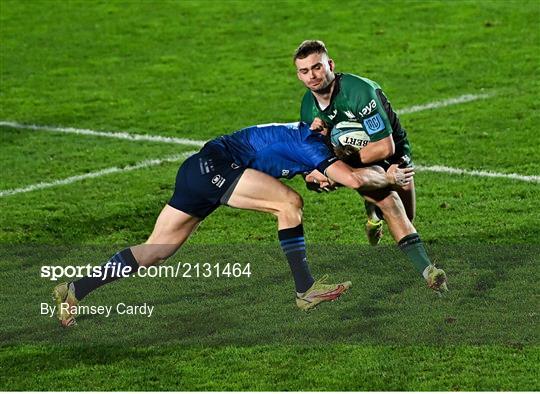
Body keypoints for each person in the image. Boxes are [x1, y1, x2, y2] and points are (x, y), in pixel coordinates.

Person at [52, 121, 416, 327]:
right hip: (217, 168)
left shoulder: (304, 141)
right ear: (331, 156)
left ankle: (74, 289)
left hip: (197, 169)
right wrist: (390, 177)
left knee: (155, 251)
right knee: (290, 203)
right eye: (327, 178)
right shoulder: (313, 149)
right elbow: (353, 178)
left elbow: (321, 169)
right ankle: (305, 290)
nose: (328, 183)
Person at [293, 39, 416, 247]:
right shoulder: (308, 107)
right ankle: (377, 208)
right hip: (357, 160)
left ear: (330, 65)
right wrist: (316, 178)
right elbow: (312, 157)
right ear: (299, 75)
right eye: (304, 71)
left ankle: (373, 212)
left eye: (316, 67)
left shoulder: (358, 91)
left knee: (408, 216)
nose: (312, 76)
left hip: (392, 151)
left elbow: (385, 147)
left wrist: (339, 167)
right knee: (394, 210)